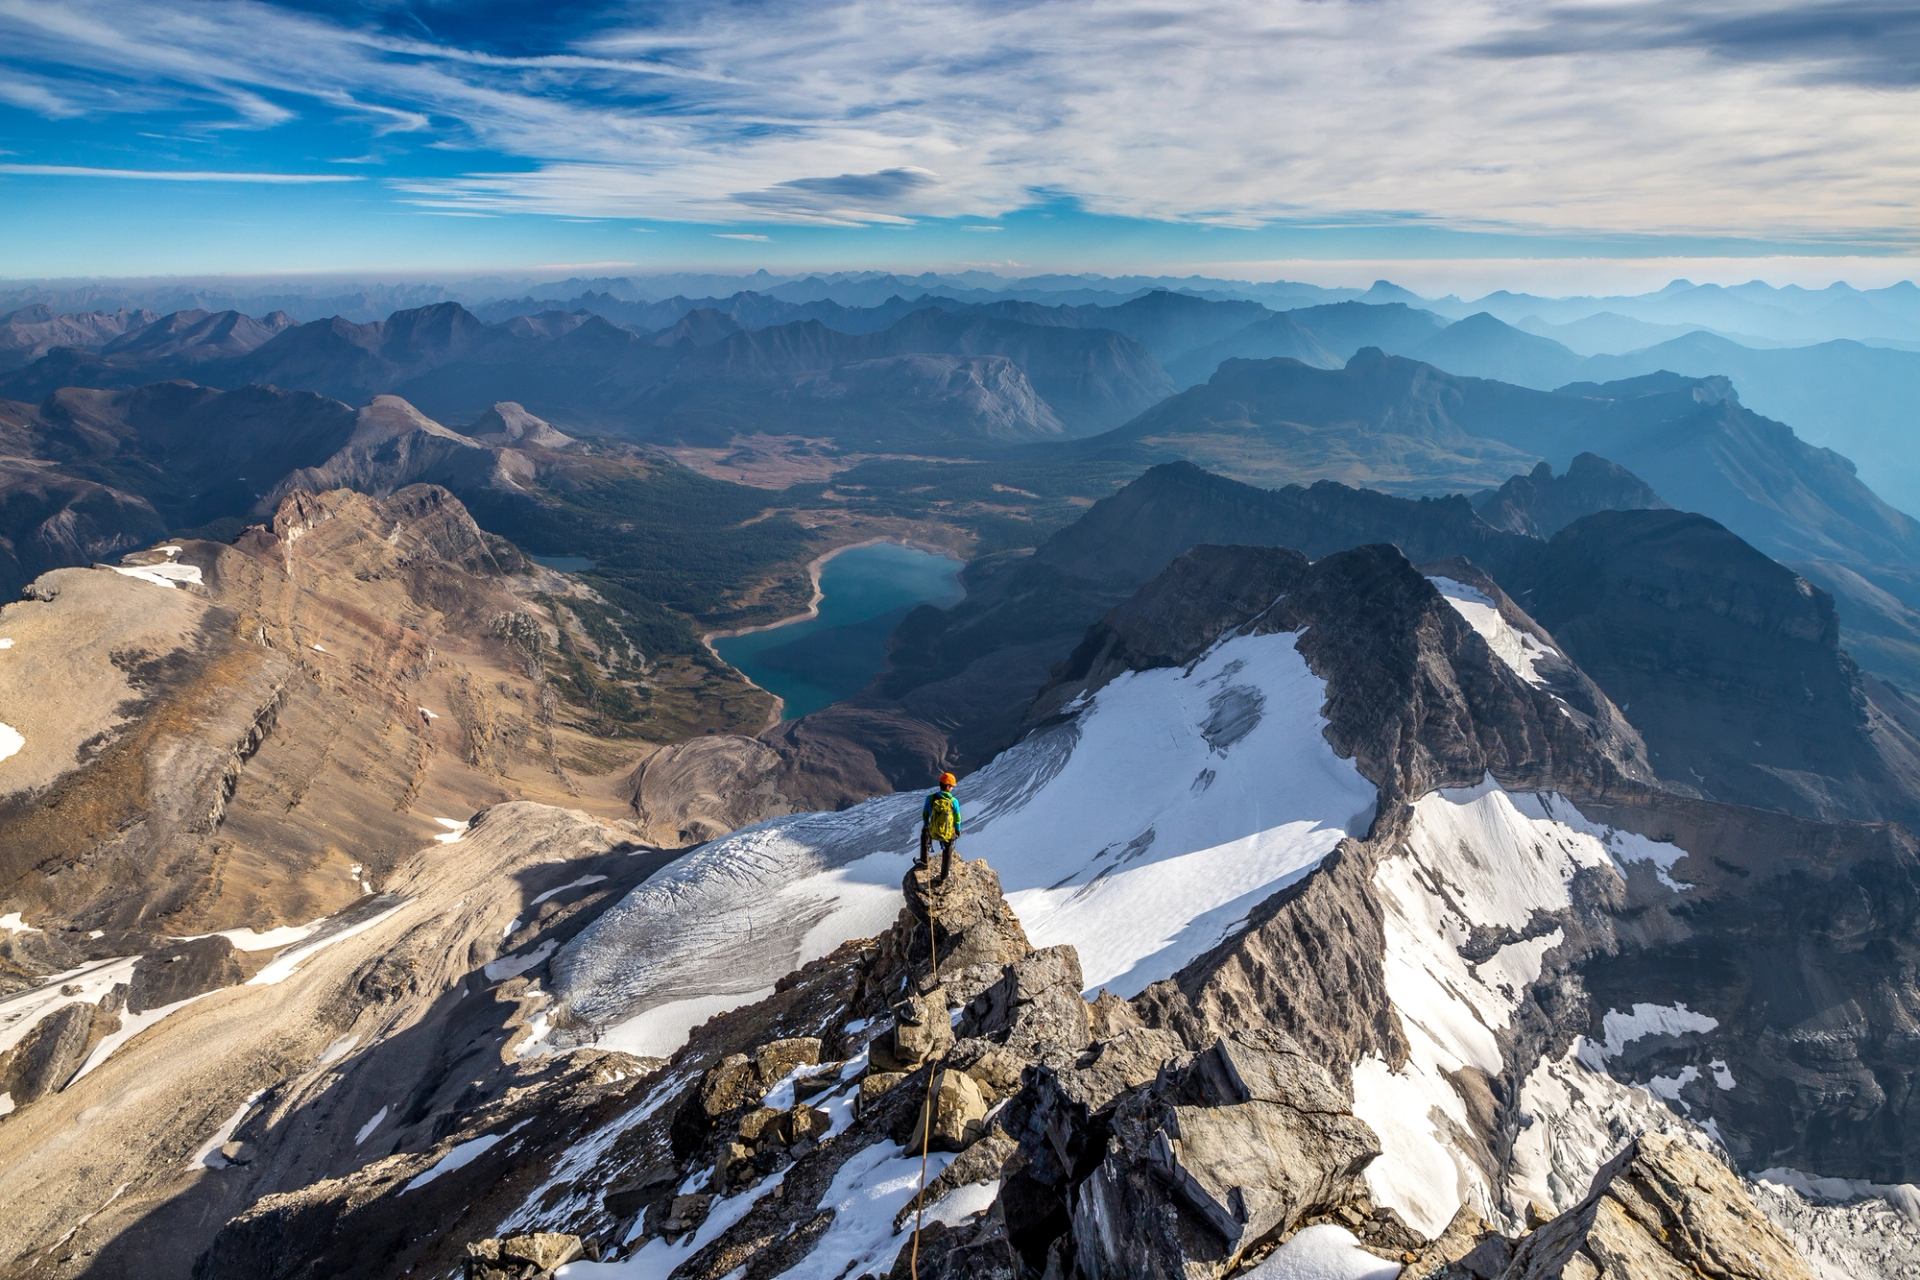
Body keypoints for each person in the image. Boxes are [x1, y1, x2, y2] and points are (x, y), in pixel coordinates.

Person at [917, 771, 962, 882]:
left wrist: (926, 826)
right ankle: (944, 876)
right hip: (947, 833)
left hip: (932, 831)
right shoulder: (954, 801)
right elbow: (957, 818)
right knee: (948, 849)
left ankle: (924, 862)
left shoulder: (931, 798)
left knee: (924, 835)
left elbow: (925, 814)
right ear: (948, 786)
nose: (952, 788)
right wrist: (957, 830)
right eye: (952, 786)